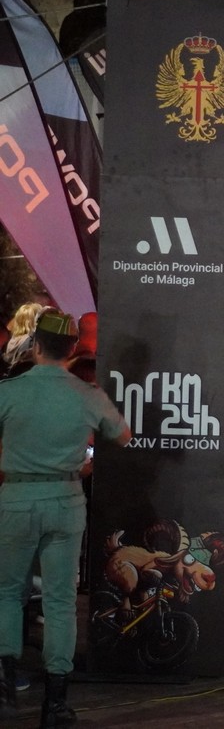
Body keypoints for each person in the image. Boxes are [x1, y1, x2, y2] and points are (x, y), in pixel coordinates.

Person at [0, 311, 132, 725]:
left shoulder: (9, 391)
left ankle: (5, 689)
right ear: (72, 349)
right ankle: (55, 703)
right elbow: (122, 436)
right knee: (60, 601)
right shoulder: (87, 394)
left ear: (36, 345)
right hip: (66, 499)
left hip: (17, 498)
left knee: (7, 593)